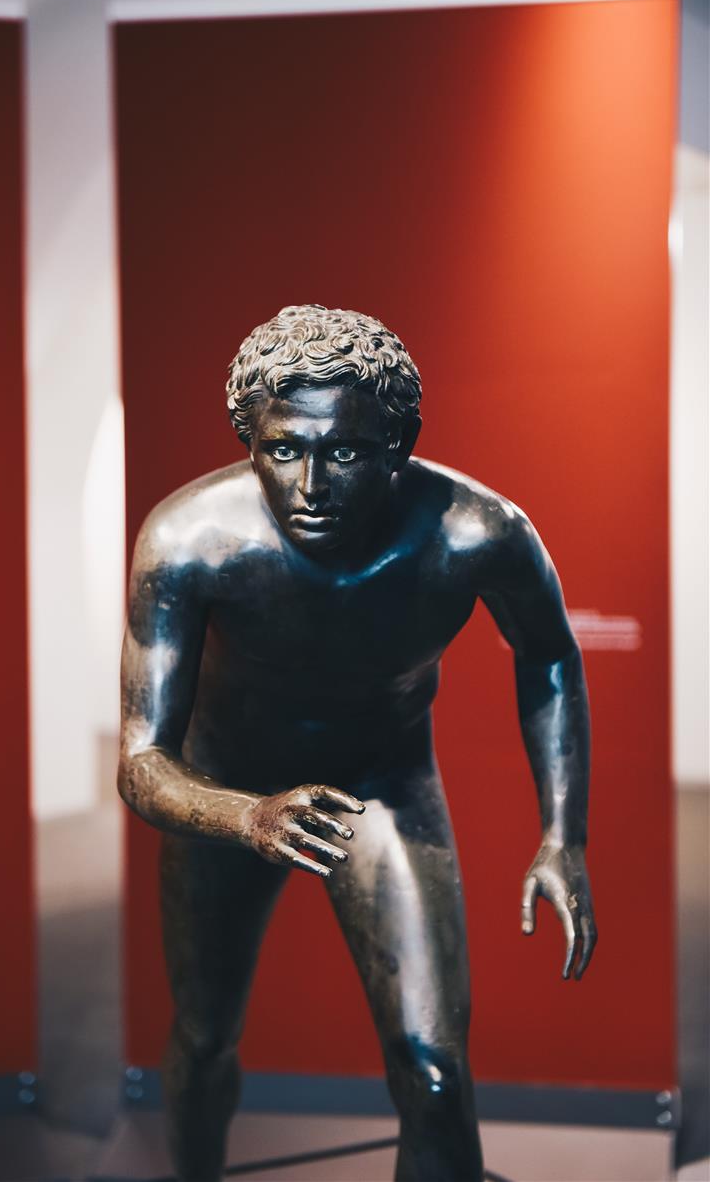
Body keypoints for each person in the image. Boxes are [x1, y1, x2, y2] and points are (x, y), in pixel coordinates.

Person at [118, 303, 597, 1182]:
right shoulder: (189, 541)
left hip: (381, 784)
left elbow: (551, 657)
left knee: (435, 1071)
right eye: (281, 449)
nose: (310, 485)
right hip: (226, 784)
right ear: (249, 441)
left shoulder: (475, 532)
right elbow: (144, 761)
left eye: (342, 453)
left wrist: (563, 836)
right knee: (203, 1037)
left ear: (396, 446)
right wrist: (249, 816)